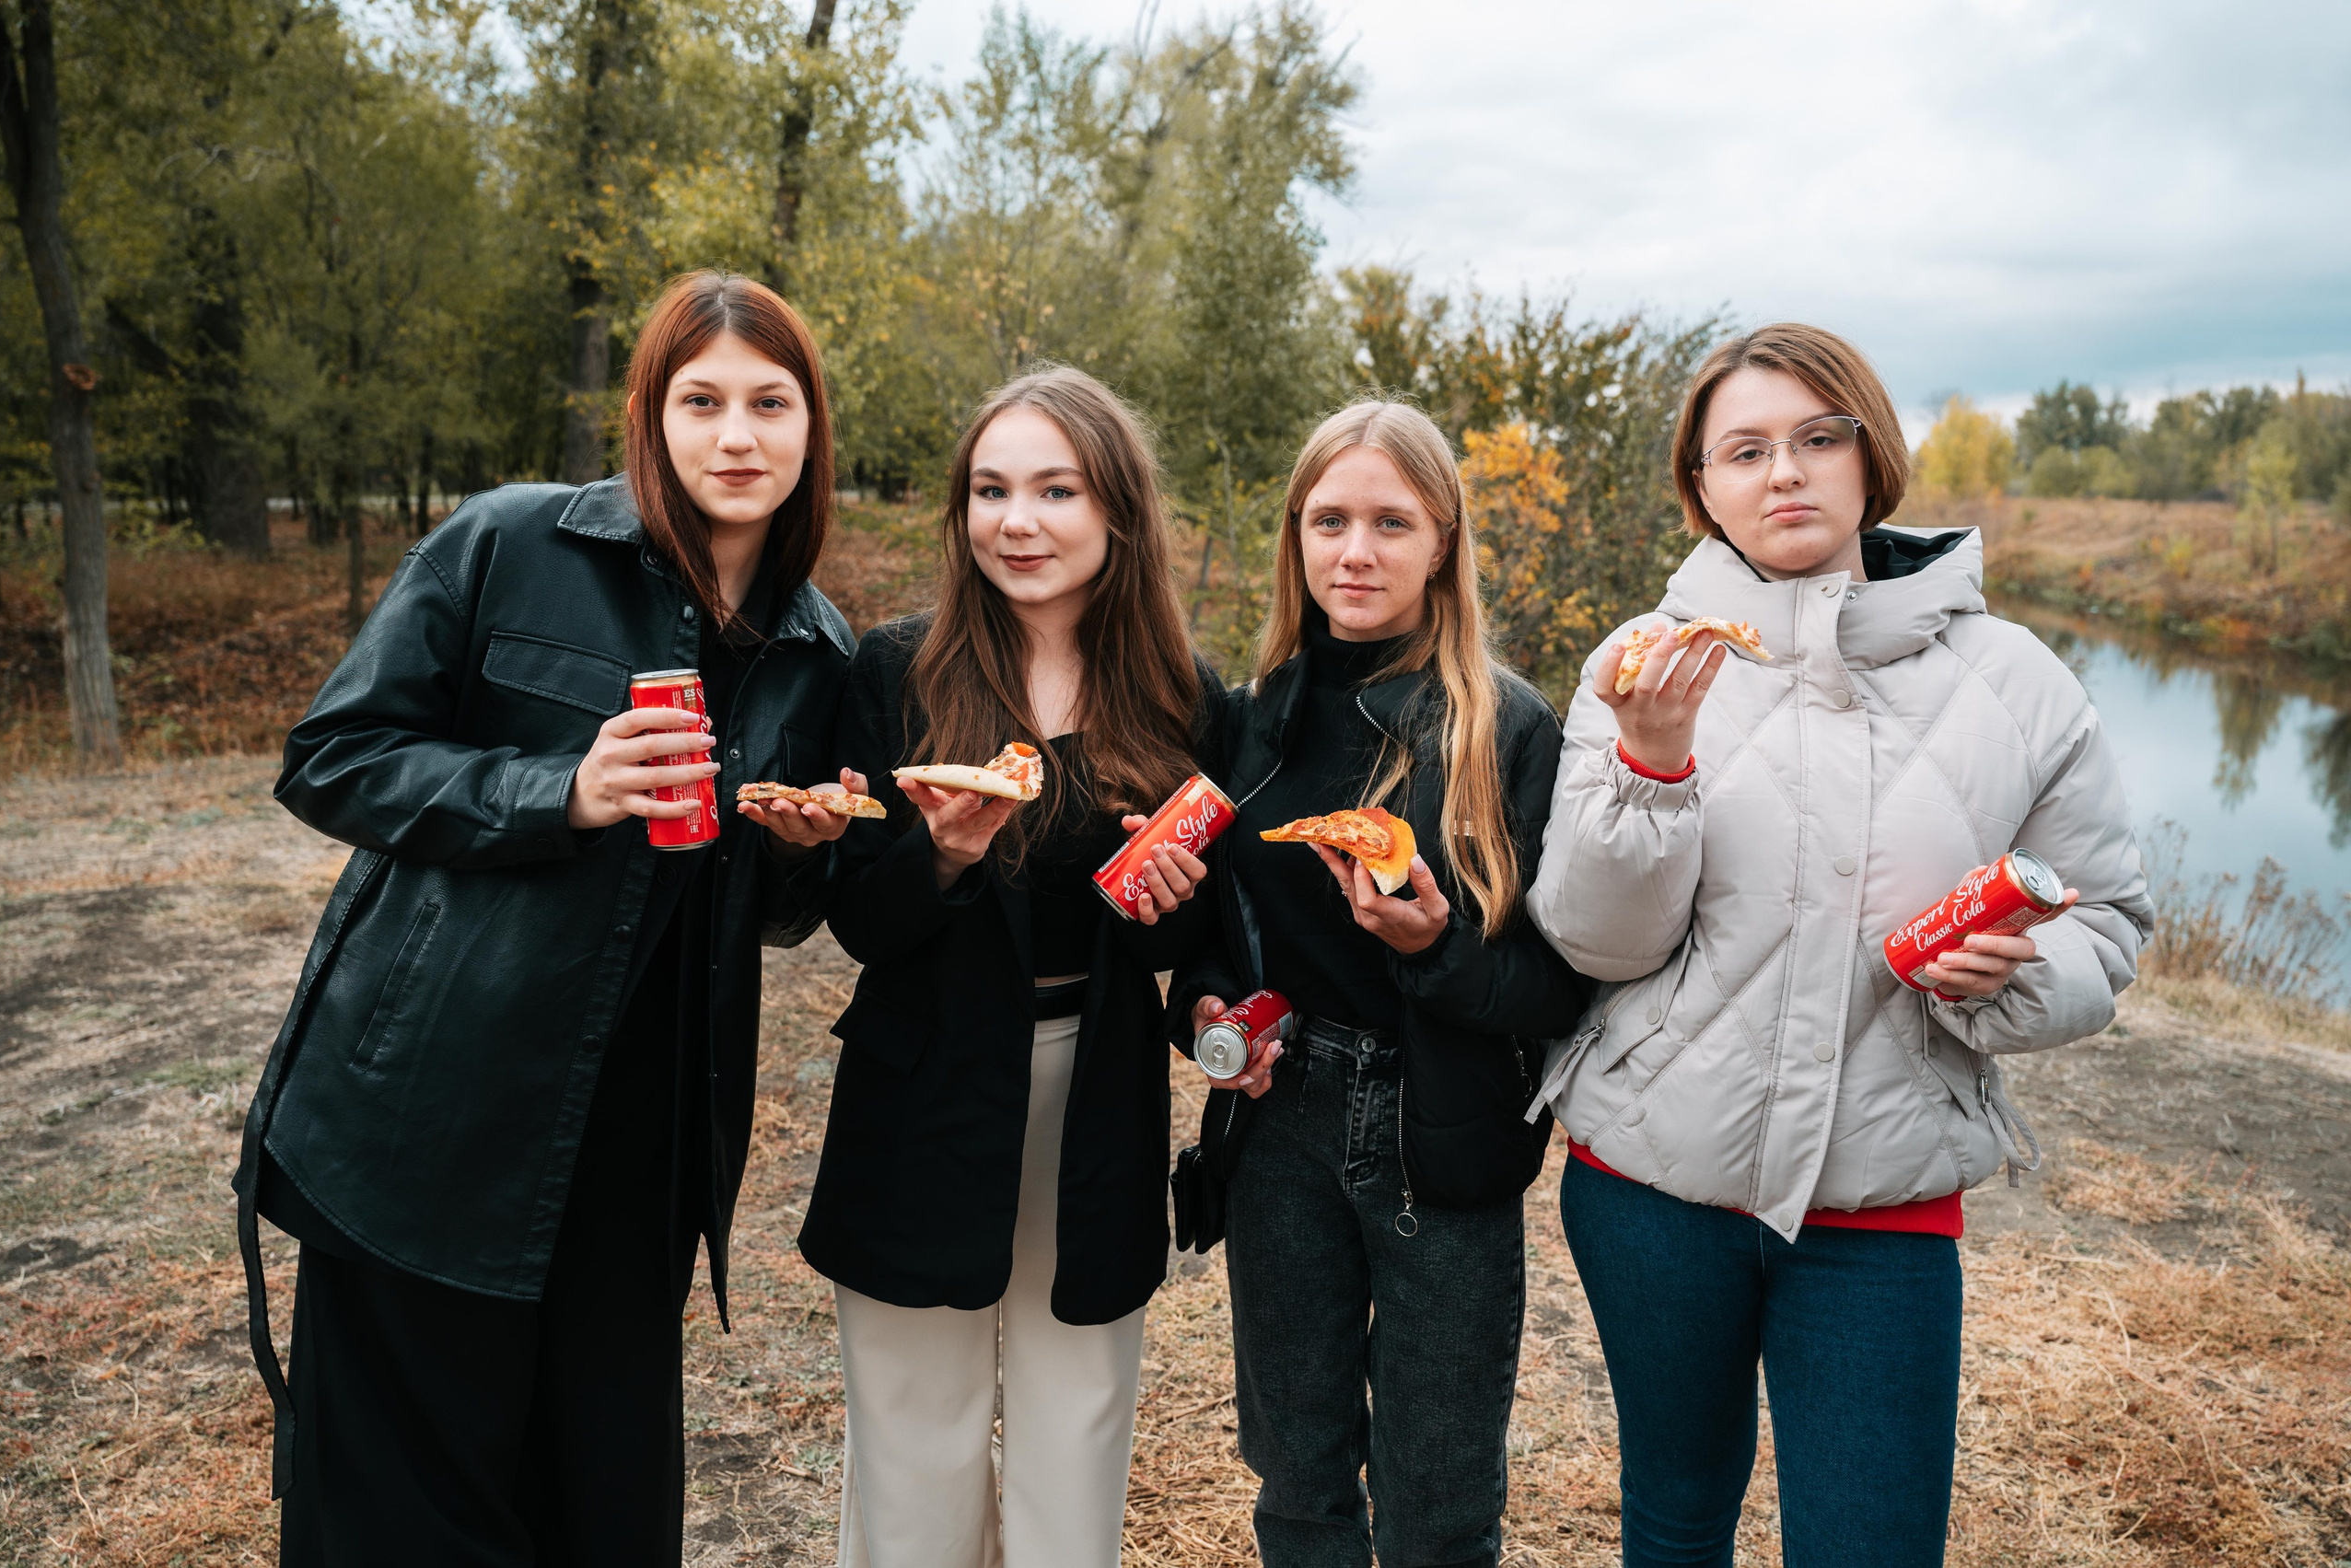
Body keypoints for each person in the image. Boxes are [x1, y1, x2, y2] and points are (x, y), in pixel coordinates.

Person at [233, 271, 867, 1565]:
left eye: (769, 402)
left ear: (811, 431)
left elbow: (775, 916)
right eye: (701, 400)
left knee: (608, 1518)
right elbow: (334, 755)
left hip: (641, 1161)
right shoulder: (509, 543)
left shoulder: (818, 645)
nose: (736, 436)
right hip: (432, 1122)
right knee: (400, 1522)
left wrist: (805, 852)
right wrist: (556, 790)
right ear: (650, 413)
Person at [1525, 322, 2155, 1568]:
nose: (1785, 472)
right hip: (1655, 1179)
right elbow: (1598, 943)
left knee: (1871, 1540)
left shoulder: (2020, 683)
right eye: (1744, 449)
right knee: (1673, 1515)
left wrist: (2013, 978)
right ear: (1700, 487)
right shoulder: (1638, 664)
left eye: (1819, 436)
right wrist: (1650, 768)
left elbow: (2111, 918)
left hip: (1883, 1199)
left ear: (1875, 456)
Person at [800, 366, 1222, 1568]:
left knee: (1076, 1421)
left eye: (1055, 488)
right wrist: (934, 853)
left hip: (1095, 1089)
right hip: (921, 1079)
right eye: (990, 489)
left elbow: (1189, 945)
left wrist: (1167, 913)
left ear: (1119, 514)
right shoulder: (895, 672)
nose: (1016, 520)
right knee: (911, 1429)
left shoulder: (1182, 696)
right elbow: (861, 923)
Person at [1168, 399, 1590, 1568]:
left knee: (1439, 1502)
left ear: (1444, 540)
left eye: (1391, 522)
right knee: (1296, 1476)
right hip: (1276, 1128)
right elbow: (1210, 932)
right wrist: (1205, 1016)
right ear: (1295, 537)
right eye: (1330, 519)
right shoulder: (1253, 720)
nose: (1356, 550)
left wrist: (1435, 950)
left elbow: (1563, 989)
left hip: (1439, 1134)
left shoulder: (1504, 728)